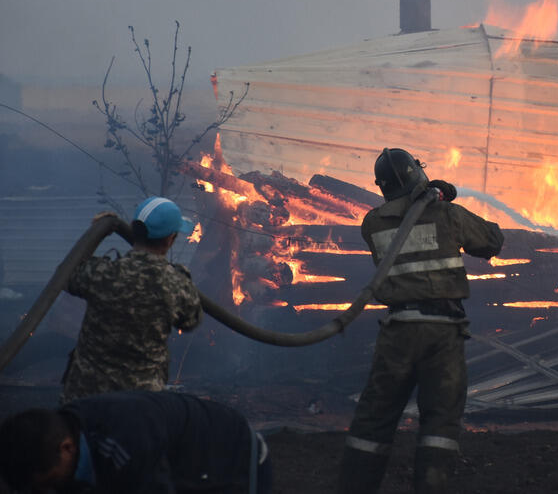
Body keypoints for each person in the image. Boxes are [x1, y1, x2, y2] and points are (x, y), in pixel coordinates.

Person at [337, 148, 504, 494]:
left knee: (373, 422)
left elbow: (403, 221)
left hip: (397, 333)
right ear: (417, 173)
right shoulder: (445, 214)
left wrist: (428, 197)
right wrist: (440, 198)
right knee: (439, 426)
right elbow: (491, 241)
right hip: (442, 335)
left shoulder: (372, 224)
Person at [60, 196, 203, 403]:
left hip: (85, 397)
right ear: (170, 239)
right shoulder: (175, 284)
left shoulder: (103, 273)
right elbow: (191, 321)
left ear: (134, 231)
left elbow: (68, 275)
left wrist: (97, 232)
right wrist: (182, 276)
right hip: (139, 403)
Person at [0, 389, 271, 493]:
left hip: (231, 455)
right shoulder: (69, 430)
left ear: (67, 448)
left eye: (49, 482)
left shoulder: (126, 441)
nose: (49, 490)